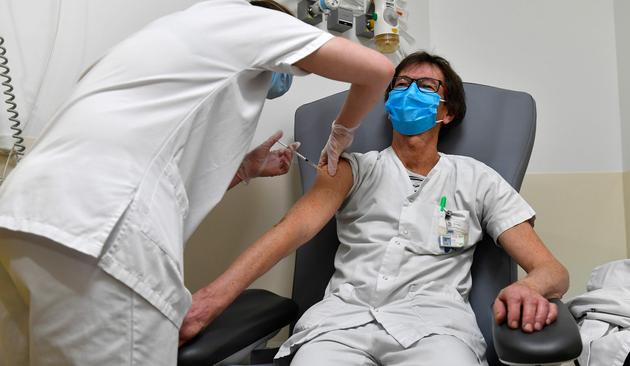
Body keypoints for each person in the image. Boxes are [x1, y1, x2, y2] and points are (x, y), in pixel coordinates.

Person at [0, 0, 394, 365]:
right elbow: (377, 70)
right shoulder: (255, 20)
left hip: (21, 219)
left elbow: (160, 174)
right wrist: (342, 131)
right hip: (102, 233)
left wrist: (244, 169)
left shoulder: (163, 43)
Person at [182, 51, 569, 365]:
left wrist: (529, 288)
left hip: (435, 329)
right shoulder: (353, 168)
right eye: (401, 85)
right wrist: (211, 300)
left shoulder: (478, 179)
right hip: (341, 325)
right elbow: (292, 230)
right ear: (388, 105)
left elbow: (551, 270)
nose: (409, 91)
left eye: (425, 86)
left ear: (446, 111)